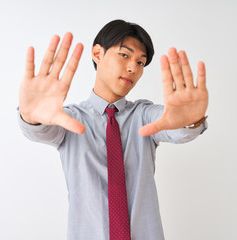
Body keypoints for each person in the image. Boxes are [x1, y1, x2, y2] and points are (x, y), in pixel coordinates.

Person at [17, 19, 208, 240]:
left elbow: (174, 127)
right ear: (98, 54)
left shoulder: (144, 115)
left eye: (141, 63)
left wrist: (192, 120)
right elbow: (40, 130)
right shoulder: (70, 119)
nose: (132, 68)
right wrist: (30, 117)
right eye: (125, 55)